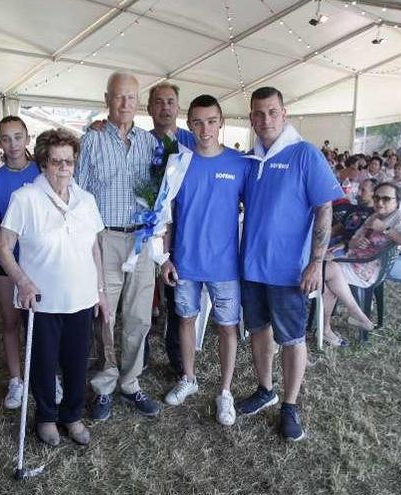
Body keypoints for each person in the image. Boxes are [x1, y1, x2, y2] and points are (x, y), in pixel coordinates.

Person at [237, 86, 342, 442]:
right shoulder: (251, 160)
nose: (265, 119)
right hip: (251, 267)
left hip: (290, 271)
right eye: (258, 113)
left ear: (285, 114)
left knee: (293, 338)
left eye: (272, 112)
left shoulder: (305, 155)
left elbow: (324, 207)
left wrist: (316, 262)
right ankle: (265, 389)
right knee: (258, 330)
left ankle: (290, 405)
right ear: (251, 118)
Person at [0, 128, 108, 446]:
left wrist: (100, 292)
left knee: (76, 362)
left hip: (82, 297)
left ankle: (71, 415)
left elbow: (95, 249)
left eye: (69, 162)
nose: (63, 168)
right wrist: (22, 281)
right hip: (41, 300)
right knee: (43, 364)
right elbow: (4, 248)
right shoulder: (25, 198)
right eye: (56, 161)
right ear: (43, 162)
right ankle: (45, 417)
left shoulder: (86, 200)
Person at [76, 71, 161, 420]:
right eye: (118, 96)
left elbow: (161, 190)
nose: (125, 103)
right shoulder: (91, 140)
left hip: (141, 238)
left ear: (138, 102)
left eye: (131, 97)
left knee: (140, 315)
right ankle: (105, 383)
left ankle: (131, 382)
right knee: (105, 316)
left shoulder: (151, 144)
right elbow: (78, 194)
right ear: (107, 98)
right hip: (105, 237)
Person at [159, 95, 244, 426]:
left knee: (227, 327)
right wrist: (165, 258)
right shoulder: (178, 163)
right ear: (188, 124)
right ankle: (189, 378)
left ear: (221, 122)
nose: (205, 128)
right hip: (185, 262)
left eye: (211, 121)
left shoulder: (240, 164)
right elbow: (166, 216)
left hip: (225, 265)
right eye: (197, 122)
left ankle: (225, 392)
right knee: (185, 320)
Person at [0, 116, 42, 409]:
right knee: (11, 321)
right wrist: (7, 262)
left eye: (18, 137)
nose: (13, 144)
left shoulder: (42, 173)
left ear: (28, 139)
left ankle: (45, 377)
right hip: (7, 264)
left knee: (42, 323)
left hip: (41, 262)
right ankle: (16, 380)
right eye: (6, 139)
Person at [322, 183, 401, 347]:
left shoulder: (400, 216)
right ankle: (328, 328)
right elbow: (352, 245)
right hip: (354, 260)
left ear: (397, 201)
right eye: (377, 197)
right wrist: (358, 241)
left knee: (326, 269)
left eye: (386, 199)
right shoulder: (373, 217)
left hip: (368, 268)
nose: (380, 202)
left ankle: (346, 318)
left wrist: (385, 229)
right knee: (326, 273)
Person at [144, 82, 196, 378]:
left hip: (183, 233)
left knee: (178, 300)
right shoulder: (139, 142)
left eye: (171, 102)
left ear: (178, 107)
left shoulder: (192, 142)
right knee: (143, 298)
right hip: (148, 234)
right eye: (159, 102)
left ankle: (177, 356)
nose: (165, 107)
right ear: (150, 108)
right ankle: (141, 357)